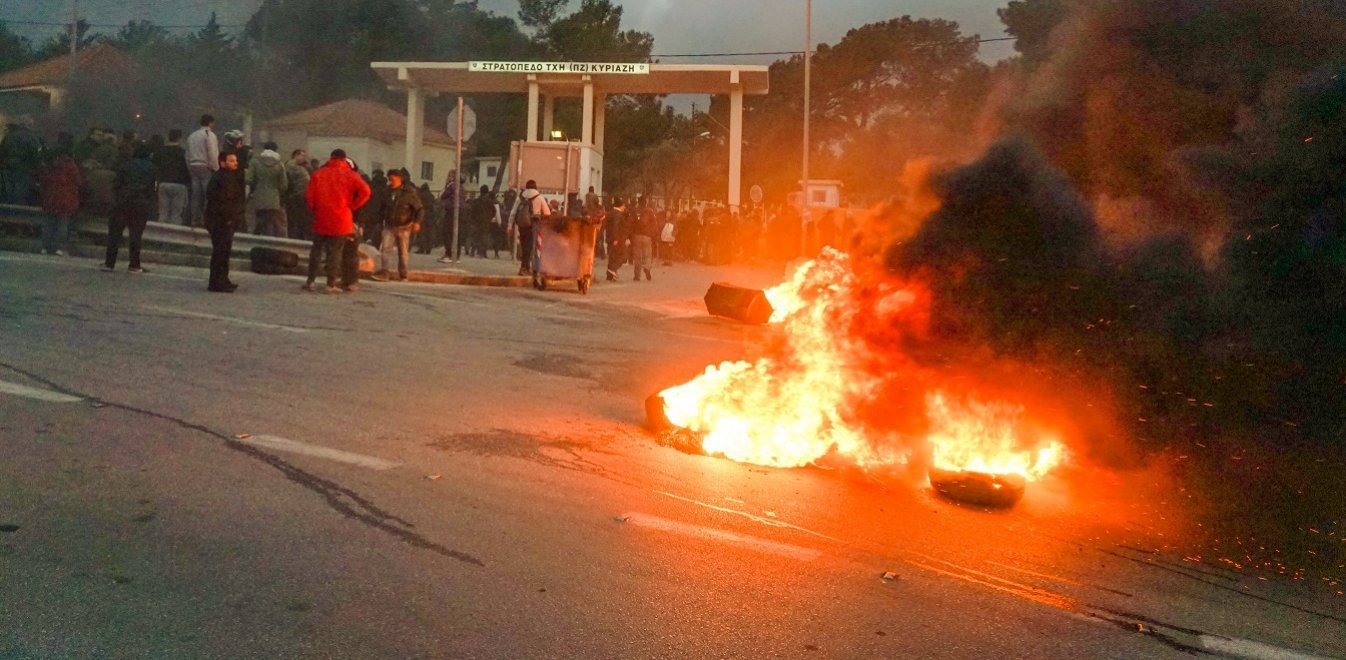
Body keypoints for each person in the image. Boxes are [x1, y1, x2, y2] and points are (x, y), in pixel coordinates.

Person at [305, 149, 370, 294]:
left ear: (331, 158)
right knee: (335, 252)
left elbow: (309, 197)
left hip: (321, 217)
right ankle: (330, 284)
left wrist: (315, 209)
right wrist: (352, 205)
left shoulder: (319, 173)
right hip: (341, 219)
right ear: (344, 159)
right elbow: (366, 191)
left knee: (316, 250)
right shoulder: (351, 175)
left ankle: (311, 281)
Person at [103, 145, 157, 273]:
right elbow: (153, 188)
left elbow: (116, 185)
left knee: (114, 235)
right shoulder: (152, 169)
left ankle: (109, 263)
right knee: (136, 235)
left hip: (122, 203)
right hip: (140, 205)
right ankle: (134, 264)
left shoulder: (125, 166)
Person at [204, 151, 246, 292]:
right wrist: (228, 217)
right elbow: (221, 200)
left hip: (225, 219)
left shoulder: (229, 177)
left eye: (235, 160)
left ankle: (223, 279)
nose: (235, 163)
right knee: (220, 252)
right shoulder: (220, 178)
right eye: (232, 161)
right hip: (220, 220)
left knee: (225, 251)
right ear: (223, 163)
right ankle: (217, 282)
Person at [373, 168, 423, 281]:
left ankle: (403, 274)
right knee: (385, 249)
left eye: (393, 177)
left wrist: (417, 222)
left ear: (399, 178)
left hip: (404, 226)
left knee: (403, 251)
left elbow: (419, 209)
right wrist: (379, 222)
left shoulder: (408, 193)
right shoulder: (387, 192)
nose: (391, 180)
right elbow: (382, 208)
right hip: (389, 225)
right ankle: (385, 273)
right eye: (390, 177)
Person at [38, 135, 80, 256]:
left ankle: (45, 247)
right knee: (62, 224)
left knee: (48, 223)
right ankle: (59, 247)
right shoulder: (71, 166)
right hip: (65, 199)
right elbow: (78, 181)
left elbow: (44, 180)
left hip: (51, 198)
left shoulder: (51, 166)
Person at [247, 141, 289, 238]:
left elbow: (248, 179)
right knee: (270, 220)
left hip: (258, 196)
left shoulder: (255, 161)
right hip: (274, 198)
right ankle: (268, 241)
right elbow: (284, 185)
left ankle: (255, 239)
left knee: (259, 219)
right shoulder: (280, 164)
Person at [0, 115, 44, 205]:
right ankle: (18, 210)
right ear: (29, 125)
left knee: (9, 190)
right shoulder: (32, 138)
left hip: (7, 168)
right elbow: (37, 154)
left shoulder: (9, 136)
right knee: (21, 192)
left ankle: (7, 209)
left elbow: (2, 151)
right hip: (24, 169)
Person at [184, 114, 219, 226]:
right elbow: (212, 152)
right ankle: (206, 220)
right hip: (205, 166)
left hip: (193, 166)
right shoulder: (209, 135)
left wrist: (189, 167)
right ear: (210, 123)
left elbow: (187, 153)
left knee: (196, 195)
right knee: (207, 194)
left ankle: (195, 220)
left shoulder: (192, 136)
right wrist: (215, 168)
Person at [510, 179, 549, 276]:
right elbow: (547, 213)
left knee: (524, 246)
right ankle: (530, 268)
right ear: (535, 187)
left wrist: (510, 225)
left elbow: (513, 212)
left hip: (522, 225)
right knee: (533, 247)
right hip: (534, 225)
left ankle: (524, 267)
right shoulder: (539, 197)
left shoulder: (521, 197)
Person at [153, 128, 191, 225]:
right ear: (180, 139)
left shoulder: (160, 151)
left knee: (163, 212)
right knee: (176, 215)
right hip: (179, 184)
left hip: (163, 183)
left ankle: (159, 235)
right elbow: (187, 168)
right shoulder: (183, 153)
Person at [284, 149, 312, 239]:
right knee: (295, 219)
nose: (304, 158)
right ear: (295, 155)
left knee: (302, 219)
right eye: (302, 155)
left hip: (302, 196)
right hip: (296, 196)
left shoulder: (304, 166)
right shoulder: (291, 166)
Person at [438, 170, 462, 262]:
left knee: (447, 232)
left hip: (451, 210)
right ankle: (456, 256)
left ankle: (448, 254)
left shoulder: (451, 185)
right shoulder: (461, 186)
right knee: (457, 234)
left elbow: (443, 196)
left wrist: (446, 185)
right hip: (460, 211)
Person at [605, 197, 628, 281]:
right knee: (624, 256)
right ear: (621, 205)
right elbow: (616, 226)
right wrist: (616, 238)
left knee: (613, 256)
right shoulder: (618, 215)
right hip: (618, 239)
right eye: (624, 205)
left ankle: (609, 275)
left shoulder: (611, 213)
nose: (625, 207)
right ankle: (613, 269)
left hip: (610, 238)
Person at [470, 185, 496, 258]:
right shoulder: (489, 201)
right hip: (486, 221)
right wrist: (490, 217)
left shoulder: (476, 201)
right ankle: (483, 253)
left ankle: (473, 251)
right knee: (484, 237)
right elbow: (494, 211)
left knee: (476, 236)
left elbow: (472, 211)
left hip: (477, 221)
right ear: (487, 192)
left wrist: (473, 220)